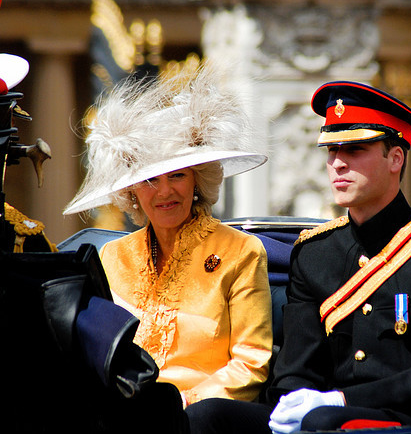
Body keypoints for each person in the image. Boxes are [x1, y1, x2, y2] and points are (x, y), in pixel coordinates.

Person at [187, 80, 411, 433]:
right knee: (207, 416)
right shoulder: (315, 252)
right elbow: (296, 370)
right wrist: (289, 405)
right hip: (324, 417)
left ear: (395, 157)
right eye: (331, 150)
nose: (337, 163)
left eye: (354, 150)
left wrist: (341, 401)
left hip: (409, 419)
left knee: (324, 420)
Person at [63, 67, 273, 408]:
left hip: (200, 414)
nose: (165, 191)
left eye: (177, 175)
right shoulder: (112, 256)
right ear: (132, 191)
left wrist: (183, 405)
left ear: (196, 181)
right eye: (150, 180)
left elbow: (251, 364)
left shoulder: (240, 250)